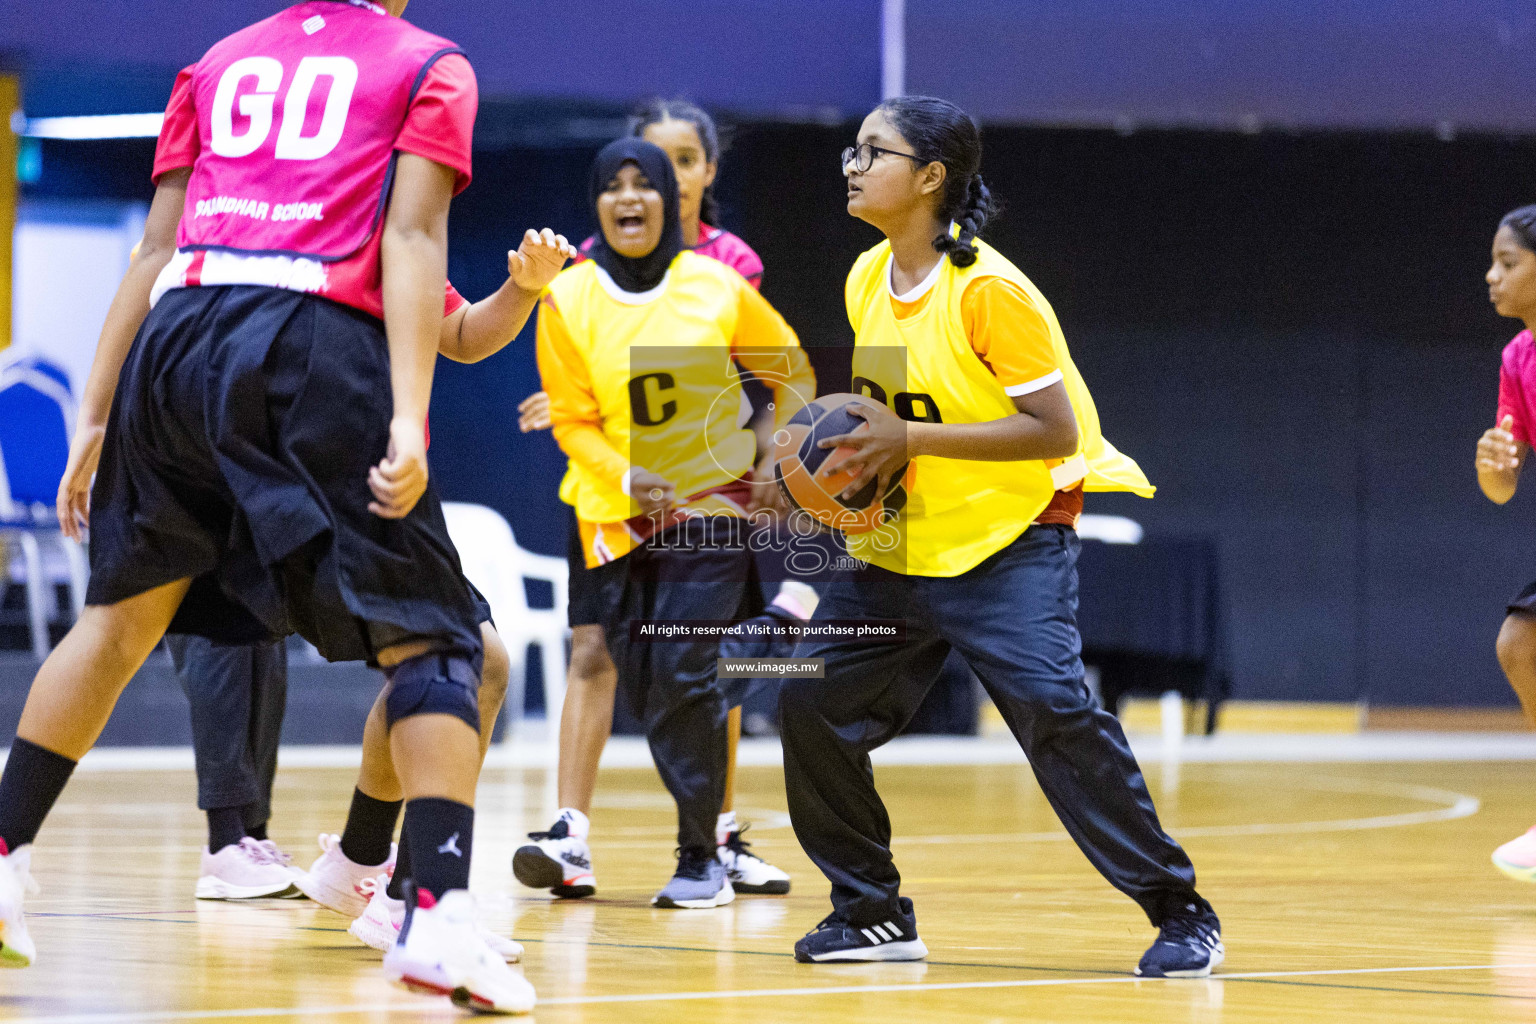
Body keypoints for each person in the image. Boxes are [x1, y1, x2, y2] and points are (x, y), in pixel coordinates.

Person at [0, 1, 533, 1011]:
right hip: (310, 339)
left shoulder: (218, 59)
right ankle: (435, 917)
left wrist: (100, 411)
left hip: (180, 338)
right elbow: (413, 237)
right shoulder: (430, 64)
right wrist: (410, 419)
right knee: (443, 645)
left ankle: (3, 852)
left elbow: (153, 254)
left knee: (118, 622)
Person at [774, 95, 1224, 978]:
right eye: (851, 151)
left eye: (874, 152)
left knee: (1054, 712)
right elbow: (887, 424)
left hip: (1014, 539)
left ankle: (1182, 911)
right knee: (809, 699)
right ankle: (871, 912)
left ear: (931, 177)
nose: (853, 166)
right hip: (909, 543)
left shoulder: (988, 291)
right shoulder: (868, 277)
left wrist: (908, 441)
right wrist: (830, 485)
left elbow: (1054, 431)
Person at [514, 100, 792, 899]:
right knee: (594, 650)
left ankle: (716, 833)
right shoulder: (581, 278)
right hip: (610, 496)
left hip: (706, 492)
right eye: (626, 173)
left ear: (700, 175)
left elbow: (748, 373)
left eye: (674, 164)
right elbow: (586, 377)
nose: (643, 187)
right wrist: (576, 411)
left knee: (703, 666)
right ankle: (571, 832)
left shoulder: (726, 267)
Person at [296, 234, 575, 959]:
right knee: (468, 662)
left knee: (459, 663)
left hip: (382, 486)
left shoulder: (394, 247)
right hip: (336, 479)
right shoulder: (302, 246)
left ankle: (363, 864)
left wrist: (524, 288)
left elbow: (459, 335)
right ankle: (399, 895)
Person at [1477, 205, 1536, 885]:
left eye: (1509, 262)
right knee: (1520, 644)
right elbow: (1501, 488)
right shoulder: (1518, 358)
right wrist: (1495, 469)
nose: (1492, 276)